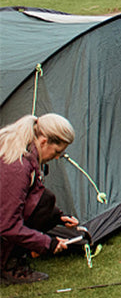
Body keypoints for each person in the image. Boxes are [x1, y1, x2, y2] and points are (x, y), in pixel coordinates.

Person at [1, 113, 79, 284]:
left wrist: (57, 216)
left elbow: (32, 197)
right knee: (43, 202)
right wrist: (47, 243)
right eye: (57, 151)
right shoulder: (17, 166)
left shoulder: (24, 148)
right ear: (43, 141)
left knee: (46, 200)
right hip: (3, 226)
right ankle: (8, 266)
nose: (58, 157)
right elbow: (6, 225)